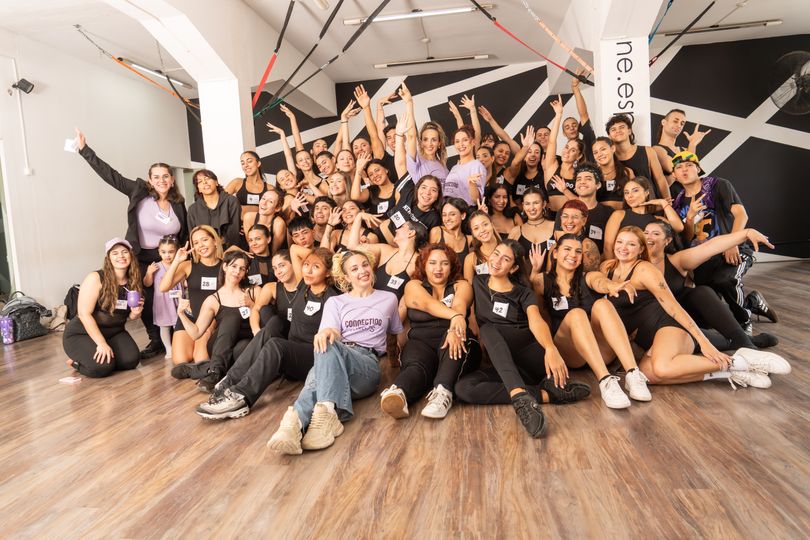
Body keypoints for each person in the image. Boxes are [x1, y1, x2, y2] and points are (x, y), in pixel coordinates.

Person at [592, 226, 790, 387]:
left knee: (662, 368)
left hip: (669, 325)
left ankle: (742, 361)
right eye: (620, 242)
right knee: (648, 375)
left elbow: (674, 307)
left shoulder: (646, 269)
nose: (623, 247)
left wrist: (745, 233)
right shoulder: (607, 267)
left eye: (631, 244)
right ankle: (728, 372)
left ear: (641, 248)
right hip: (649, 338)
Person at [267, 249, 403, 455]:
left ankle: (311, 417)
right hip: (336, 355)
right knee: (325, 342)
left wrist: (396, 369)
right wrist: (327, 333)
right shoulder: (336, 302)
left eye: (365, 265)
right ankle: (294, 426)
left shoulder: (389, 298)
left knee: (319, 368)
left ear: (372, 268)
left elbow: (394, 335)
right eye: (354, 269)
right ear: (346, 277)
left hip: (365, 365)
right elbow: (330, 330)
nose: (362, 271)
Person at [454, 240, 591, 438]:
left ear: (514, 268)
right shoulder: (478, 283)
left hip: (530, 358)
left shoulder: (524, 293)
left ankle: (520, 400)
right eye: (496, 254)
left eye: (506, 259)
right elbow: (461, 303)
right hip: (506, 365)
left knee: (488, 329)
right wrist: (457, 318)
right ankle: (547, 394)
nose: (497, 261)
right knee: (463, 389)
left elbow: (536, 321)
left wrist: (550, 348)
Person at [74, 129, 187, 360]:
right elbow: (111, 176)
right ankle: (156, 340)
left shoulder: (178, 203)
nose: (161, 181)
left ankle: (179, 336)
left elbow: (184, 231)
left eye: (165, 176)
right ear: (150, 180)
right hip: (142, 255)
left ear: (172, 179)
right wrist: (85, 150)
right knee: (146, 297)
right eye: (156, 177)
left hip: (169, 256)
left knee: (173, 294)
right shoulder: (138, 192)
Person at [194, 248, 339, 420]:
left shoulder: (332, 298)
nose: (308, 270)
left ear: (328, 272)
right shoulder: (304, 286)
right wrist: (318, 257)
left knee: (275, 345)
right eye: (306, 264)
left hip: (311, 357)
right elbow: (293, 249)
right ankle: (228, 382)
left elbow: (334, 334)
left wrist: (336, 260)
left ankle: (239, 398)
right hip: (291, 350)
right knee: (275, 324)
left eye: (316, 267)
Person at [530, 235, 650, 409]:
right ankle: (606, 381)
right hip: (570, 352)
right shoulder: (541, 281)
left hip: (599, 351)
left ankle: (633, 373)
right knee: (577, 314)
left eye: (578, 251)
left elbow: (601, 282)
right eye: (567, 249)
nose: (573, 255)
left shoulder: (589, 276)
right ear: (555, 253)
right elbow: (539, 318)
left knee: (603, 304)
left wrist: (611, 286)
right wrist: (548, 351)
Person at [670, 151, 776, 332]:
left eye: (689, 165)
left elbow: (741, 215)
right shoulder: (678, 202)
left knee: (726, 280)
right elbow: (686, 238)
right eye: (679, 167)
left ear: (698, 169)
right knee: (707, 301)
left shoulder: (717, 185)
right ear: (674, 175)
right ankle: (753, 302)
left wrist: (731, 243)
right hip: (705, 257)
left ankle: (744, 322)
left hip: (733, 250)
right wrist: (690, 218)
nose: (684, 170)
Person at [380, 244, 481, 419]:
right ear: (424, 265)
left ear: (452, 266)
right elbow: (427, 304)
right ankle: (399, 393)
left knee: (455, 341)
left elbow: (459, 305)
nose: (438, 268)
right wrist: (455, 316)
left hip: (456, 339)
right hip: (421, 342)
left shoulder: (462, 285)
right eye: (432, 263)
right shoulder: (413, 285)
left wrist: (455, 324)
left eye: (444, 263)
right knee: (416, 365)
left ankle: (442, 393)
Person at [643, 220, 778, 350]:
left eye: (656, 233)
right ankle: (745, 341)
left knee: (701, 292)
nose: (649, 237)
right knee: (675, 334)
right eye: (646, 232)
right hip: (660, 322)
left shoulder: (676, 260)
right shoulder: (634, 262)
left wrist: (746, 233)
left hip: (686, 316)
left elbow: (710, 247)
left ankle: (743, 341)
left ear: (667, 240)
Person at [176, 250, 262, 392]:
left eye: (242, 269)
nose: (237, 272)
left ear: (245, 272)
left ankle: (205, 369)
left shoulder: (254, 291)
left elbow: (265, 320)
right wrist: (181, 314)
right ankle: (215, 371)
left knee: (243, 348)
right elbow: (196, 333)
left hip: (245, 341)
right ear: (225, 266)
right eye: (234, 266)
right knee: (232, 318)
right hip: (220, 344)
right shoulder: (213, 300)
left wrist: (252, 305)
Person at [63, 238, 144, 378]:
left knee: (130, 361)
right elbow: (84, 314)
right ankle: (76, 362)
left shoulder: (133, 280)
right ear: (108, 258)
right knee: (102, 368)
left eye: (124, 252)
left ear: (131, 255)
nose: (121, 256)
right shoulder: (95, 278)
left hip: (114, 332)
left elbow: (128, 317)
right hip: (82, 333)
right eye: (115, 253)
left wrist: (135, 314)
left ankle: (104, 358)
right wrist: (101, 343)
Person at [159, 226, 224, 366]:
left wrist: (212, 326)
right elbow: (163, 287)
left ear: (214, 241)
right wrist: (176, 261)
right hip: (190, 317)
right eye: (196, 243)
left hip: (211, 320)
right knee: (180, 361)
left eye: (204, 240)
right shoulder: (188, 265)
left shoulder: (225, 266)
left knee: (200, 359)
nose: (201, 245)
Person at [602, 177, 684, 259]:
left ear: (646, 192)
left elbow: (679, 228)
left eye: (635, 190)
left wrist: (663, 203)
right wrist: (613, 266)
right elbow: (607, 247)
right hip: (620, 263)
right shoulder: (619, 215)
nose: (630, 196)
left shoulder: (657, 220)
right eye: (626, 193)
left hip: (648, 264)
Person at [605, 114, 670, 200]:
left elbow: (660, 180)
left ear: (629, 131)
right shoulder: (608, 158)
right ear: (609, 136)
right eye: (613, 129)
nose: (618, 131)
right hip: (625, 204)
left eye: (621, 127)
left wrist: (668, 202)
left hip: (651, 202)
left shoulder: (648, 151)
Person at [142, 235, 180, 359]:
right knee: (164, 326)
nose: (167, 255)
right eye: (163, 252)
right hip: (162, 302)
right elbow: (147, 283)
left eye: (171, 252)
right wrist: (149, 272)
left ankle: (179, 347)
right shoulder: (156, 267)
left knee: (178, 325)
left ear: (176, 251)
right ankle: (169, 349)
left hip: (177, 300)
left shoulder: (179, 265)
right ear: (159, 252)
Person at [564, 163, 615, 253]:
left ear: (598, 185)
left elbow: (609, 247)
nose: (582, 182)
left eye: (588, 179)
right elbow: (560, 244)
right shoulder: (564, 211)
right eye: (579, 179)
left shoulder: (609, 212)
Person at [187, 169, 242, 249]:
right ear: (198, 189)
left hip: (230, 249)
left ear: (216, 182)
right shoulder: (193, 209)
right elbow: (193, 237)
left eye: (207, 178)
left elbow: (234, 233)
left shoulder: (231, 201)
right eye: (200, 181)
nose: (204, 182)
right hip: (204, 251)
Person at [508, 188, 555, 267]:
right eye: (527, 204)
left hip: (550, 275)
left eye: (536, 203)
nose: (532, 208)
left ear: (544, 204)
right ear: (523, 206)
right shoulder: (516, 231)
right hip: (523, 275)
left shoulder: (555, 227)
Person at [443, 125, 487, 205]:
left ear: (473, 142)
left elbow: (476, 200)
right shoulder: (455, 167)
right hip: (447, 209)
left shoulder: (477, 166)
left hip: (464, 210)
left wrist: (471, 184)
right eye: (457, 141)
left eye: (465, 140)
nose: (461, 144)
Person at [553, 200, 601, 272]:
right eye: (565, 216)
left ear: (584, 220)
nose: (569, 221)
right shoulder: (555, 245)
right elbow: (550, 273)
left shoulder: (587, 246)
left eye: (575, 217)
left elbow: (591, 276)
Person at [224, 151, 270, 218]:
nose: (246, 165)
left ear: (258, 163)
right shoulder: (237, 182)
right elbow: (220, 202)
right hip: (238, 222)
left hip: (260, 223)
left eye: (249, 161)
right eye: (243, 163)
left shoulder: (269, 188)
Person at [241, 188, 286, 256]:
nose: (264, 203)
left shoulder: (279, 223)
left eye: (270, 201)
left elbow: (274, 252)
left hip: (270, 257)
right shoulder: (249, 217)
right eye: (263, 198)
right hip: (251, 254)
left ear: (277, 208)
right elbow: (251, 246)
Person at [592, 137, 634, 210]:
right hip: (599, 216)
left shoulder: (627, 172)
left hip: (624, 214)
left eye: (603, 149)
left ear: (613, 149)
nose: (599, 154)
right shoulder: (591, 175)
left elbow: (635, 197)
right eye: (595, 152)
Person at [504, 126, 544, 200]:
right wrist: (526, 146)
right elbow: (515, 162)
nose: (533, 155)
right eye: (529, 152)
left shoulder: (545, 175)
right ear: (524, 157)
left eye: (537, 152)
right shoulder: (517, 174)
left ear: (540, 157)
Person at [429, 198, 472, 265]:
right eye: (444, 215)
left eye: (452, 214)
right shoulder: (437, 232)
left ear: (463, 216)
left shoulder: (469, 240)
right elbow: (427, 260)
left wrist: (482, 216)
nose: (447, 219)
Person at [463, 210, 501, 281]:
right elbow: (468, 286)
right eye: (476, 228)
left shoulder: (508, 250)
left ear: (492, 225)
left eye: (485, 224)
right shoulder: (471, 259)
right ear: (473, 233)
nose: (482, 230)